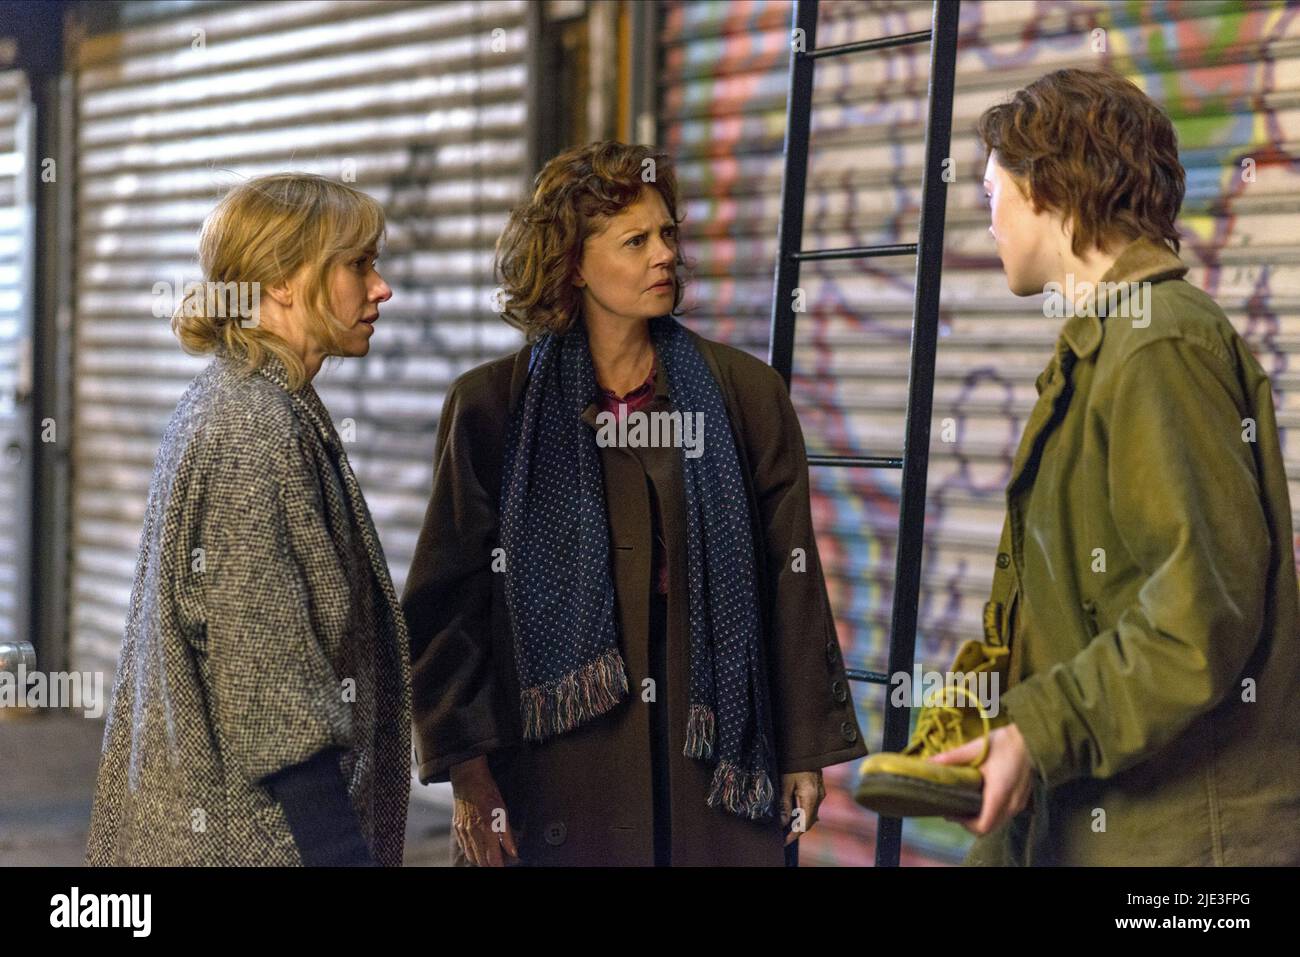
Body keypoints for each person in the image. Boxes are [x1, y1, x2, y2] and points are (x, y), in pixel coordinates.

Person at [401, 141, 867, 866]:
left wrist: (802, 748)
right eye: (636, 240)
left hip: (713, 767)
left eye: (669, 234)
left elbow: (791, 580)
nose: (665, 256)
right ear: (574, 264)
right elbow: (446, 608)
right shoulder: (494, 409)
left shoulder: (745, 395)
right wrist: (467, 770)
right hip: (550, 775)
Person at [928, 68, 1300, 865]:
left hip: (1184, 853)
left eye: (995, 191)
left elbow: (1199, 617)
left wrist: (1039, 728)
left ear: (1051, 188)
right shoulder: (1109, 345)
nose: (987, 217)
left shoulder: (1158, 345)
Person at [86, 173, 412, 866]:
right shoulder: (252, 427)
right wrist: (340, 854)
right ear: (285, 281)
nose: (380, 288)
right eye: (358, 264)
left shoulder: (251, 399)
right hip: (252, 843)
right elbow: (269, 690)